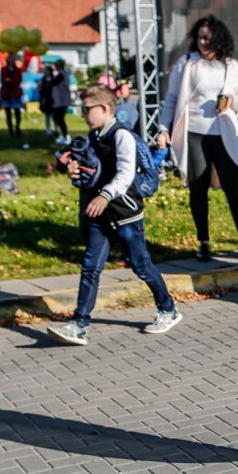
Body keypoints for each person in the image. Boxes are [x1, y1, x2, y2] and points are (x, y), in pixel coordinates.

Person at [46, 85, 182, 346]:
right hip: (101, 215)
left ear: (105, 108)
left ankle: (168, 309)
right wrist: (75, 170)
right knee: (90, 268)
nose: (83, 114)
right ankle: (78, 324)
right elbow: (92, 169)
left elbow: (125, 174)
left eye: (87, 109)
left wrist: (104, 195)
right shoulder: (95, 135)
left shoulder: (122, 136)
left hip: (125, 214)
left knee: (141, 265)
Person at [157, 15, 238, 261]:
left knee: (234, 188)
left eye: (208, 38)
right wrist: (163, 128)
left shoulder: (230, 66)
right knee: (198, 188)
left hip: (223, 133)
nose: (203, 42)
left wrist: (231, 102)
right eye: (200, 37)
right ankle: (204, 241)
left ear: (219, 39)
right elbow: (171, 99)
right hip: (194, 133)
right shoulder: (187, 63)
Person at [0, 55, 24, 138]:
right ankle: (11, 130)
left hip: (15, 94)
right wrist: (11, 81)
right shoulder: (4, 70)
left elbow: (18, 80)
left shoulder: (18, 70)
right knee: (8, 113)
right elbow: (3, 81)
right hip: (7, 94)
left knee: (17, 113)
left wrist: (10, 80)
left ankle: (17, 128)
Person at [51, 60, 72, 145]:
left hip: (62, 100)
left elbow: (52, 82)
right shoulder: (64, 73)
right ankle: (63, 135)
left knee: (59, 118)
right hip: (61, 100)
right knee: (57, 118)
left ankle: (65, 136)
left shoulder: (61, 74)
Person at [38, 65, 55, 137]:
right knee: (47, 116)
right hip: (46, 100)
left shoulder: (54, 79)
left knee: (54, 116)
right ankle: (48, 130)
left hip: (53, 100)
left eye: (47, 70)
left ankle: (56, 130)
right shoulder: (42, 80)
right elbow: (39, 90)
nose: (46, 72)